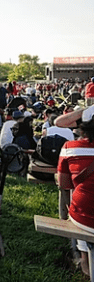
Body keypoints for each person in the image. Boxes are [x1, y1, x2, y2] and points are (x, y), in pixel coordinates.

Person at [57, 105, 94, 277]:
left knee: (78, 200)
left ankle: (84, 261)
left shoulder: (70, 147)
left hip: (84, 218)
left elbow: (64, 184)